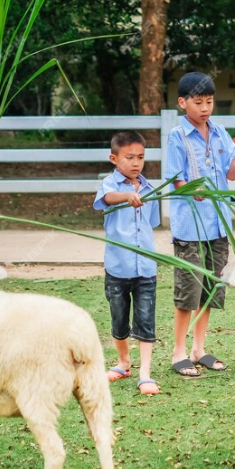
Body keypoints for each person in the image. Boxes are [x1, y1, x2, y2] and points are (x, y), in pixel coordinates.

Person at [163, 72, 235, 377]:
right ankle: (178, 352)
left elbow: (233, 174)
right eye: (198, 102)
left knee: (211, 289)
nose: (205, 108)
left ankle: (198, 349)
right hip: (190, 227)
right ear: (182, 102)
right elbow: (177, 180)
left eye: (209, 102)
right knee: (188, 289)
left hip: (218, 226)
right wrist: (193, 188)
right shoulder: (177, 137)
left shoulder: (219, 133)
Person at [93, 131, 161, 395]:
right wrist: (126, 197)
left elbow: (151, 222)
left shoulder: (150, 188)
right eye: (129, 157)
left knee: (146, 320)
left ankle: (145, 373)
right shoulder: (109, 186)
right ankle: (123, 362)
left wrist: (137, 196)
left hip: (146, 268)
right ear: (114, 158)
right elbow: (106, 200)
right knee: (119, 320)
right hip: (117, 268)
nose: (136, 163)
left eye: (141, 157)